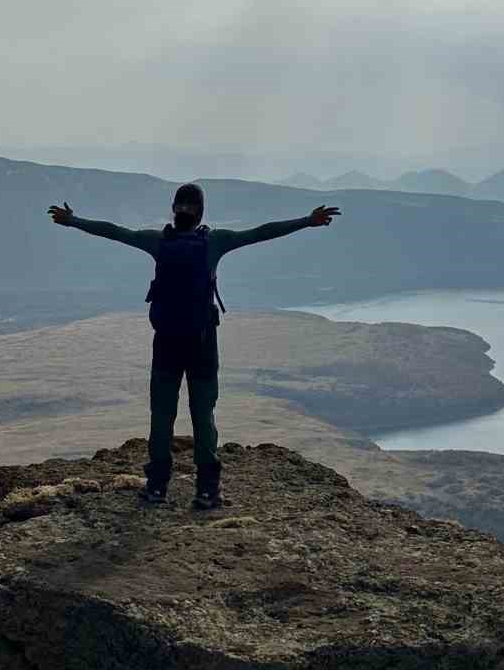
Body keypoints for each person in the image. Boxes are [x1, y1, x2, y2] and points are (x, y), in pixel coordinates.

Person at [48, 184, 340, 509]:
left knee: (162, 416)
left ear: (173, 209)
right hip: (202, 343)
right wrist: (306, 221)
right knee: (203, 415)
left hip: (166, 344)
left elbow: (116, 232)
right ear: (201, 211)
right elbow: (261, 233)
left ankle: (157, 487)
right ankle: (206, 490)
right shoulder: (214, 242)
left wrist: (73, 221)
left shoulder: (158, 241)